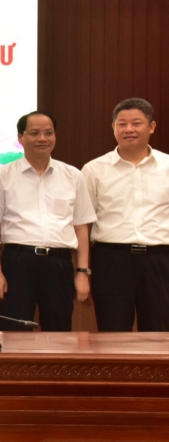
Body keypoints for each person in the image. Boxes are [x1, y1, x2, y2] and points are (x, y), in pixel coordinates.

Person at [0, 111, 94, 331]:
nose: (42, 138)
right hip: (17, 263)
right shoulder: (2, 176)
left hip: (59, 264)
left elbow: (81, 227)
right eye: (34, 133)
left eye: (48, 133)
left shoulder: (73, 175)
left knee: (59, 333)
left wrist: (82, 272)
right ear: (20, 137)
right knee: (13, 333)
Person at [83, 98, 169, 331]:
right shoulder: (94, 169)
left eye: (136, 123)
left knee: (160, 334)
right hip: (111, 260)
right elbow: (83, 223)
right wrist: (83, 271)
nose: (128, 129)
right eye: (122, 124)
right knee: (112, 333)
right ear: (113, 127)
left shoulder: (167, 166)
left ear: (152, 127)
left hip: (160, 260)